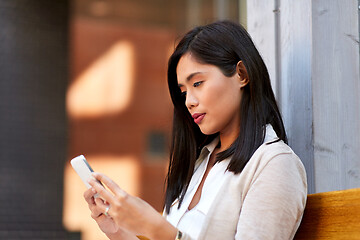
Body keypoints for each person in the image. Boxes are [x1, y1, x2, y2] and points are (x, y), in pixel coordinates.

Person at [84, 20, 307, 240]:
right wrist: (117, 230)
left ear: (241, 74)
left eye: (198, 83)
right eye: (183, 92)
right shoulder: (200, 162)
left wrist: (158, 229)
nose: (189, 101)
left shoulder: (275, 164)